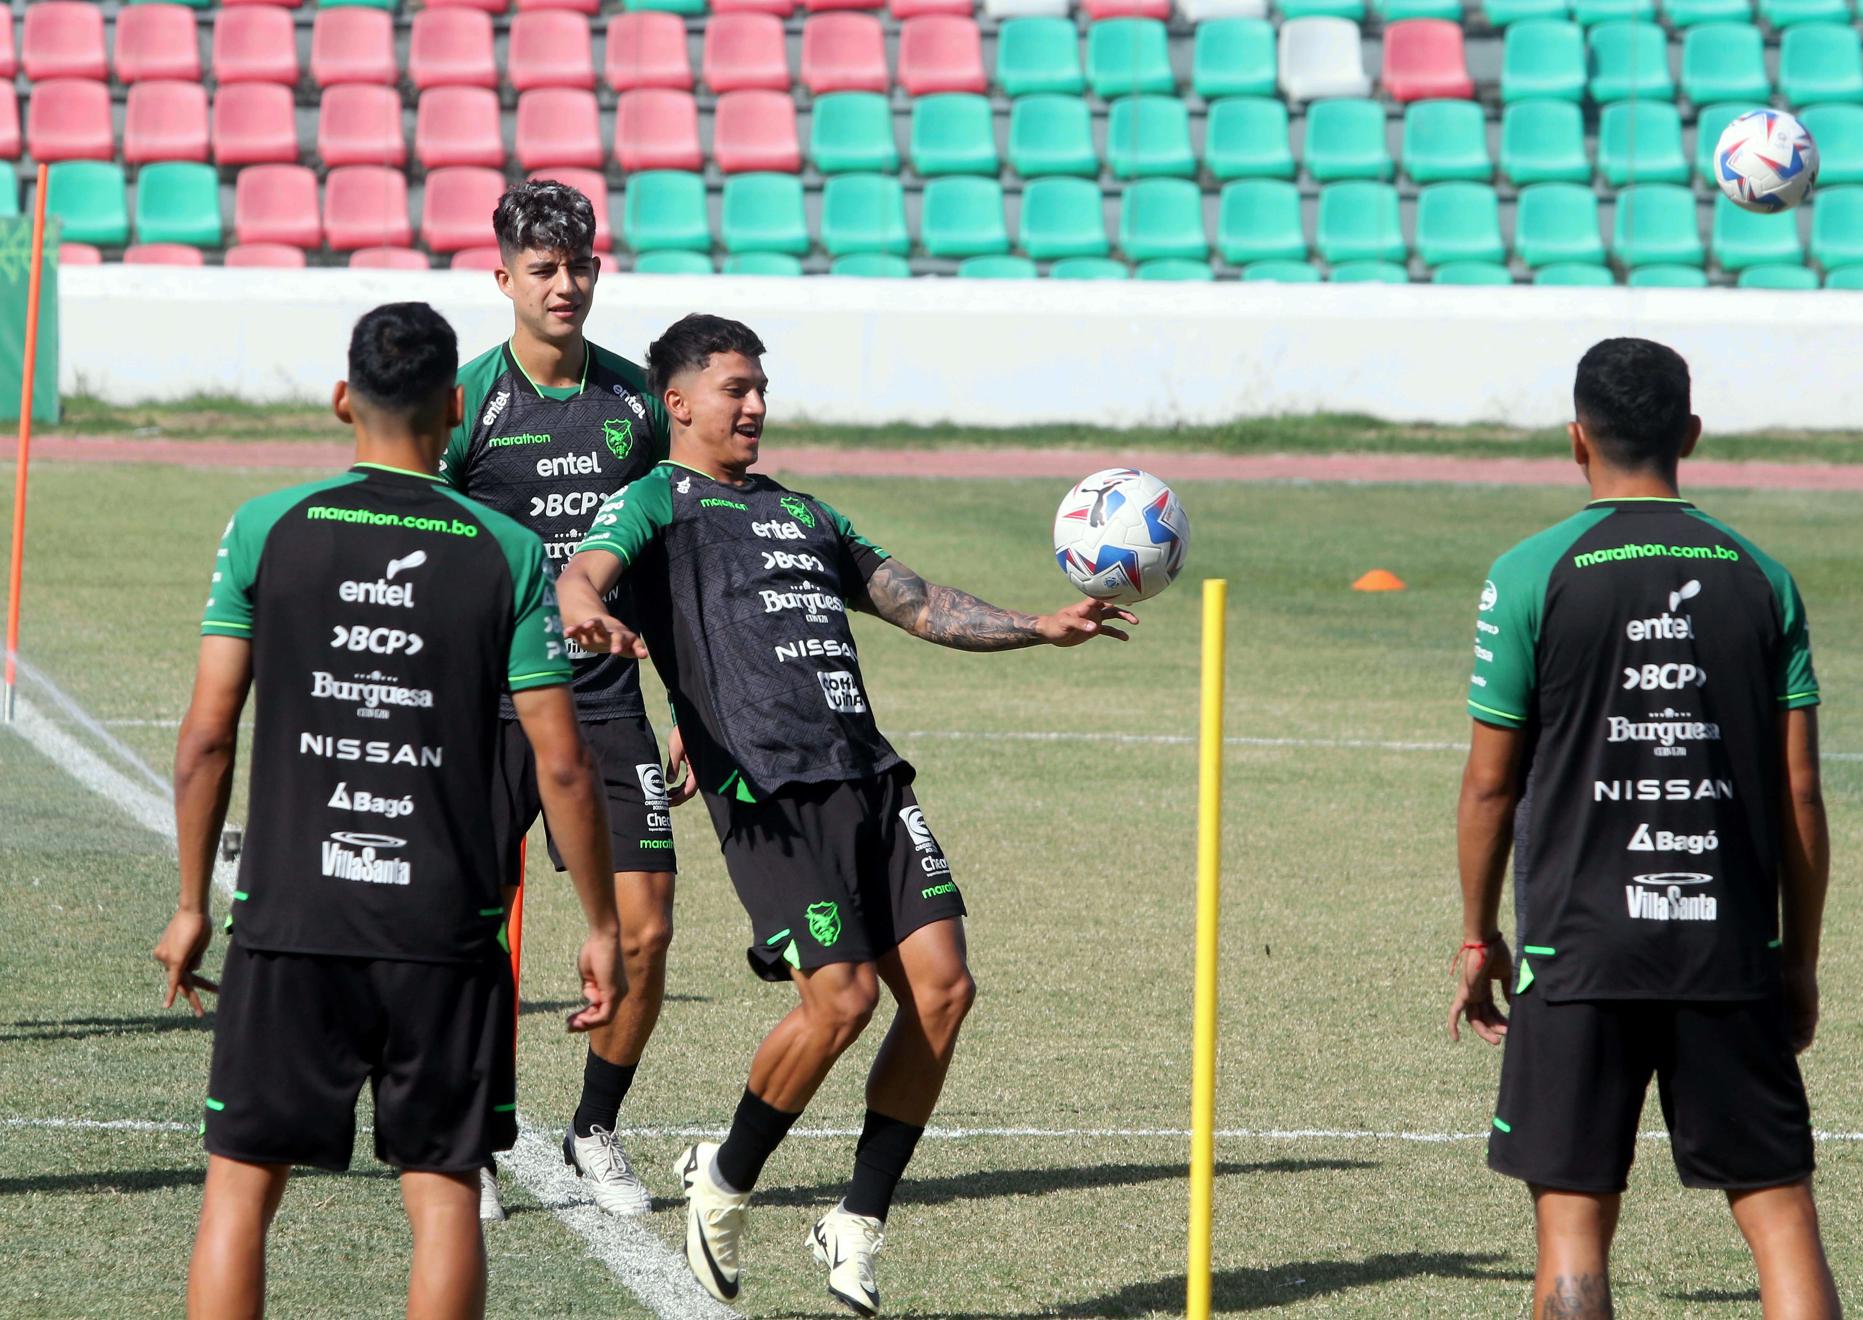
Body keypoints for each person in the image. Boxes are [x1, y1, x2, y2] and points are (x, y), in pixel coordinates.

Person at [555, 314, 1137, 1318]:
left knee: (944, 992)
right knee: (843, 998)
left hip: (871, 779)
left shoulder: (806, 514)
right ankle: (725, 1177)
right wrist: (581, 606)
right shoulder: (657, 500)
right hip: (771, 794)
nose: (756, 405)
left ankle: (856, 1221)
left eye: (763, 387)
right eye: (735, 388)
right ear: (679, 404)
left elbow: (915, 601)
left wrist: (1041, 627)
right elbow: (583, 570)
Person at [153, 302, 626, 1320]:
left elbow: (204, 736)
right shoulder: (505, 550)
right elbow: (565, 766)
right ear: (455, 412)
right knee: (444, 1189)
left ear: (340, 401)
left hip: (290, 920)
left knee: (240, 1187)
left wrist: (192, 900)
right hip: (443, 931)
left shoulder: (266, 527)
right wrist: (599, 924)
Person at [1449, 337, 1840, 1320]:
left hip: (1575, 947)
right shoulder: (1760, 576)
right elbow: (1801, 793)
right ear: (1692, 436)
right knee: (1780, 1214)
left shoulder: (1531, 572)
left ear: (1574, 440)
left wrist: (1476, 933)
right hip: (1726, 943)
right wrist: (1796, 956)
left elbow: (1491, 790)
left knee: (1573, 1231)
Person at [440, 180, 677, 1221]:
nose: (565, 284)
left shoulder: (637, 405)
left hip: (608, 703)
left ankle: (594, 1130)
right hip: (490, 709)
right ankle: (474, 1140)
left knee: (646, 929)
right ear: (503, 279)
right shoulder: (467, 404)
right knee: (469, 931)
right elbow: (422, 549)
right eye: (543, 268)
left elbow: (670, 560)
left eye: (578, 265)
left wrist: (691, 703)